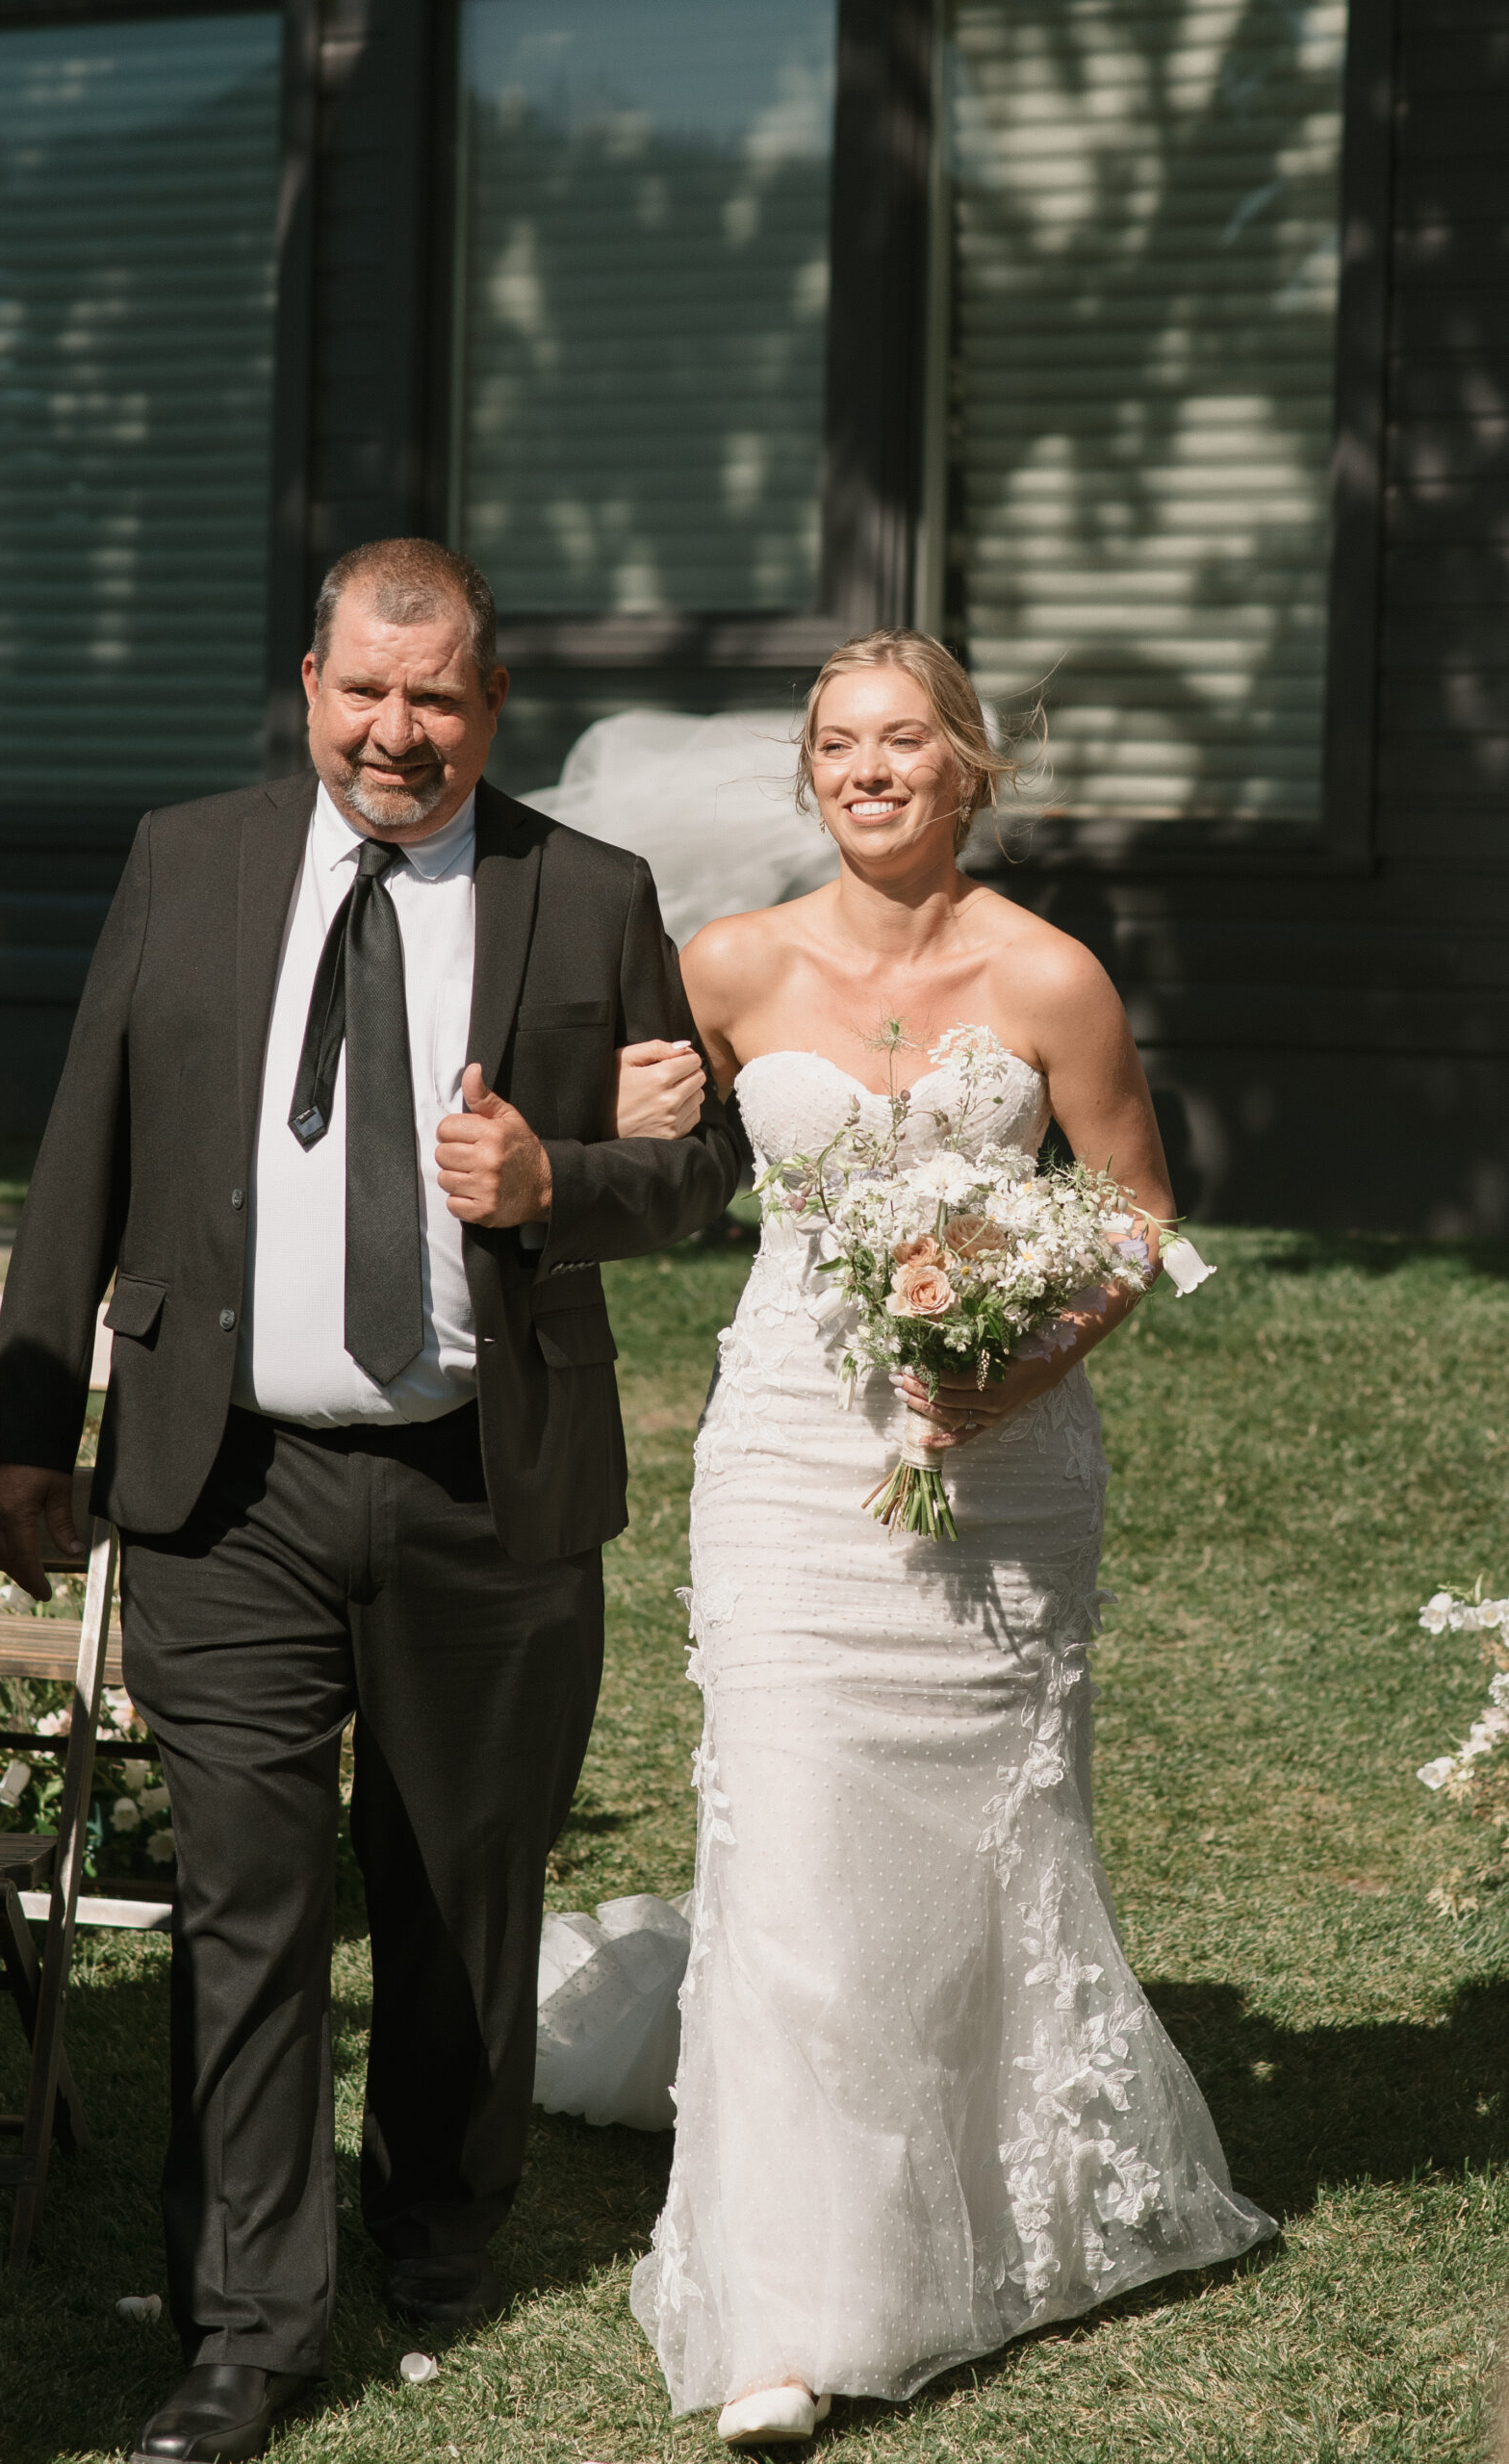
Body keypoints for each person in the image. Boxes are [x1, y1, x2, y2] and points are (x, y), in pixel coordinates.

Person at [0, 537, 743, 2464]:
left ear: (493, 706)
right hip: (221, 1479)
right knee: (246, 1893)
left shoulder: (590, 892)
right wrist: (22, 1414)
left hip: (484, 1480)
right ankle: (247, 2318)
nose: (399, 733)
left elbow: (694, 1176)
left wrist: (554, 1177)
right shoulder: (189, 858)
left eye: (441, 699)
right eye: (366, 692)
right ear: (310, 680)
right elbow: (88, 1135)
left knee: (457, 1879)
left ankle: (439, 2211)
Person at [617, 629, 1274, 2443]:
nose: (870, 770)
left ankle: (994, 2198)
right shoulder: (726, 965)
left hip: (1004, 1476)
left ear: (969, 765)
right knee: (792, 1838)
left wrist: (1024, 1351)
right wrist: (625, 1112)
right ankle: (787, 2299)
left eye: (906, 741)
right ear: (809, 773)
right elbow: (648, 1160)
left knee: (983, 1839)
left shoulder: (1053, 977)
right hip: (787, 1457)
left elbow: (1142, 1219)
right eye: (839, 743)